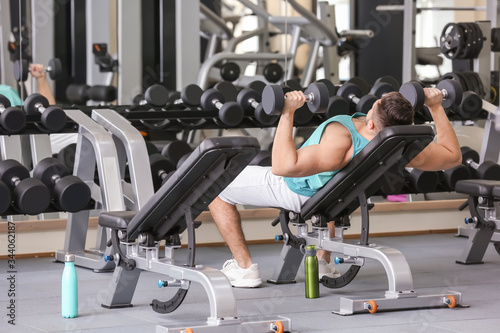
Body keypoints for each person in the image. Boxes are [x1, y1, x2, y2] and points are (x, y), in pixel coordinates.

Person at [208, 87, 462, 288]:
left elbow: (282, 167)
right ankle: (322, 261)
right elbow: (452, 157)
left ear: (373, 124)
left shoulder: (341, 139)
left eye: (374, 105)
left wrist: (287, 113)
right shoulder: (402, 144)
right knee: (338, 186)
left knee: (215, 186)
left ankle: (244, 269)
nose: (373, 103)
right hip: (335, 197)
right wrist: (436, 107)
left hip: (296, 190)